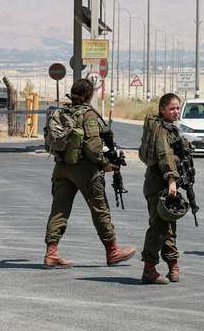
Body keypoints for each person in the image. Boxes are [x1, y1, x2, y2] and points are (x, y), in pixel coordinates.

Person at [43, 78, 136, 268]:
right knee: (100, 209)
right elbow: (93, 148)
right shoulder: (88, 115)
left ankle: (51, 253)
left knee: (59, 210)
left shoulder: (62, 111)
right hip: (85, 170)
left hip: (62, 167)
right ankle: (113, 251)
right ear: (89, 95)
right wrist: (105, 165)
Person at [138, 93, 191, 284]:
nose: (175, 111)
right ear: (162, 109)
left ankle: (172, 265)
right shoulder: (160, 129)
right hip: (159, 183)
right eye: (171, 108)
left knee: (169, 225)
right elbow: (165, 154)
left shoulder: (168, 128)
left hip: (164, 182)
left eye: (178, 108)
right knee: (159, 227)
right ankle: (149, 268)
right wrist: (171, 180)